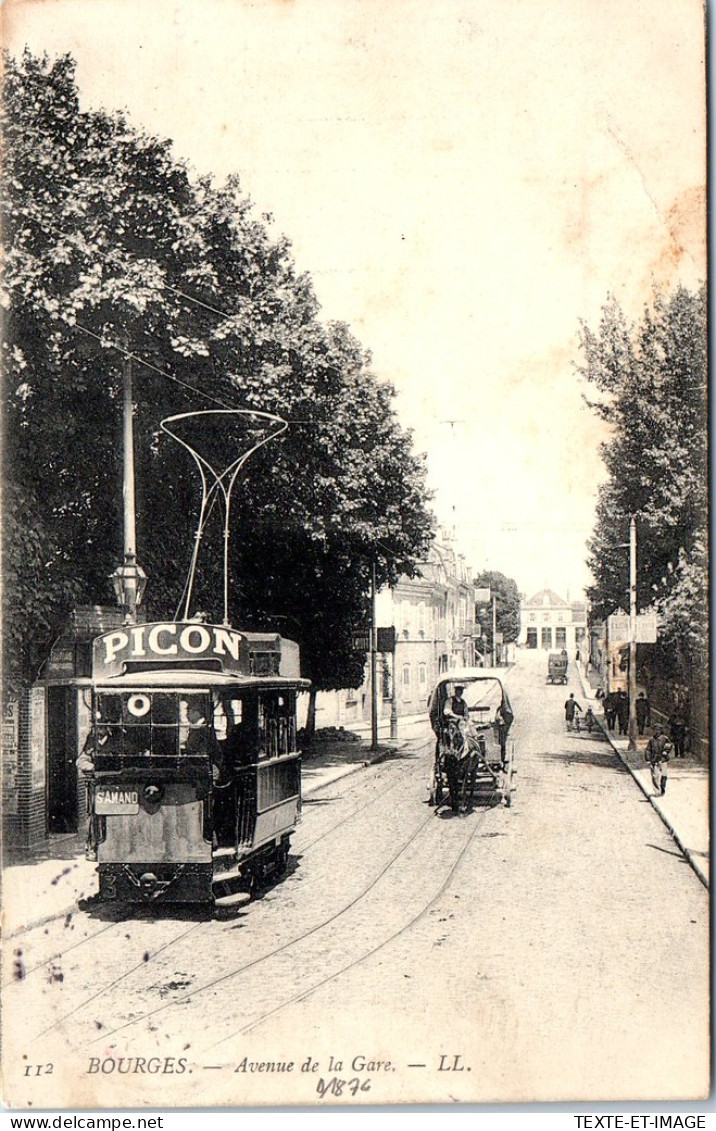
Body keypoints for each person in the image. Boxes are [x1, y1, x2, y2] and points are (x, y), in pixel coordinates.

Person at [645, 726, 672, 796]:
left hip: (663, 759)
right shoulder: (651, 740)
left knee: (664, 775)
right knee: (655, 776)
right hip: (655, 760)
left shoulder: (665, 738)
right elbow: (648, 750)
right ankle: (657, 791)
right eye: (655, 730)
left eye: (658, 730)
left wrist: (666, 751)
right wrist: (648, 759)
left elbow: (669, 745)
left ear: (661, 731)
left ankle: (662, 788)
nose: (656, 732)